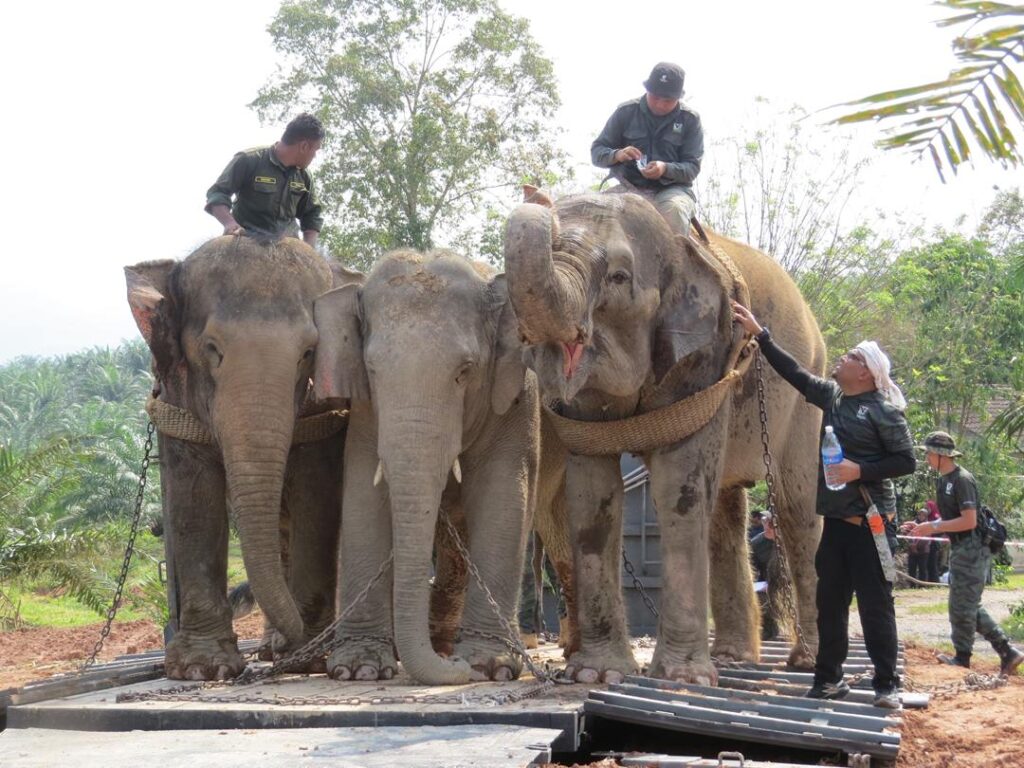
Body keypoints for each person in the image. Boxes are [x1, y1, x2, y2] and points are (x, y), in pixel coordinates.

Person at [732, 302, 915, 709]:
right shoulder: (833, 397)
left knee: (875, 605)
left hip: (871, 523)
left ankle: (887, 684)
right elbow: (796, 375)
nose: (843, 359)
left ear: (865, 372)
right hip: (835, 524)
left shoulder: (884, 412)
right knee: (829, 604)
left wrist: (859, 470)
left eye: (851, 357)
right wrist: (761, 335)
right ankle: (829, 678)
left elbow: (906, 461)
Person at [908, 432, 1024, 676]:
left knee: (962, 605)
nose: (927, 457)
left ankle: (964, 658)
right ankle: (1007, 652)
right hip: (961, 548)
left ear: (941, 455)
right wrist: (922, 526)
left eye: (929, 452)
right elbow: (949, 519)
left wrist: (934, 527)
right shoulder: (943, 480)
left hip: (972, 548)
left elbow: (969, 521)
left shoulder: (962, 479)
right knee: (965, 604)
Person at [591, 62, 704, 236]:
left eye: (667, 100)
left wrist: (665, 168)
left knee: (674, 211)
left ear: (678, 98)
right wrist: (617, 155)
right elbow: (597, 152)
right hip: (628, 188)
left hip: (671, 191)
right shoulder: (625, 112)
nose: (659, 104)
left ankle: (673, 263)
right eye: (655, 97)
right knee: (591, 212)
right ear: (647, 90)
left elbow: (692, 167)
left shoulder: (690, 120)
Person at [206, 112, 325, 246]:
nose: (314, 156)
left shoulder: (304, 176)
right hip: (245, 242)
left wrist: (309, 250)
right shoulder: (249, 160)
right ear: (304, 147)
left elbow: (312, 214)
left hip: (288, 248)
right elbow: (217, 193)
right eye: (316, 150)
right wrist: (230, 223)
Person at [750, 511, 780, 641]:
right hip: (765, 585)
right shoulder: (756, 543)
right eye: (764, 521)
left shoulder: (790, 542)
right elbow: (751, 569)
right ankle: (768, 629)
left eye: (771, 523)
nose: (767, 526)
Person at [905, 508, 932, 586]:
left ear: (926, 516)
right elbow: (906, 534)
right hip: (911, 550)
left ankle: (922, 586)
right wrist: (911, 545)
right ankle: (912, 585)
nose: (921, 516)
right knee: (911, 569)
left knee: (922, 569)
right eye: (920, 514)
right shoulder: (912, 524)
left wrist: (917, 547)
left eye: (923, 515)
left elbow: (927, 538)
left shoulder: (928, 525)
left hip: (923, 551)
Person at [925, 499, 943, 583]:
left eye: (927, 508)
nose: (926, 510)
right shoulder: (927, 518)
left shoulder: (936, 516)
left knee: (933, 563)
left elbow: (940, 529)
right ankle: (929, 581)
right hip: (927, 544)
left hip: (934, 543)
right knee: (928, 563)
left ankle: (935, 581)